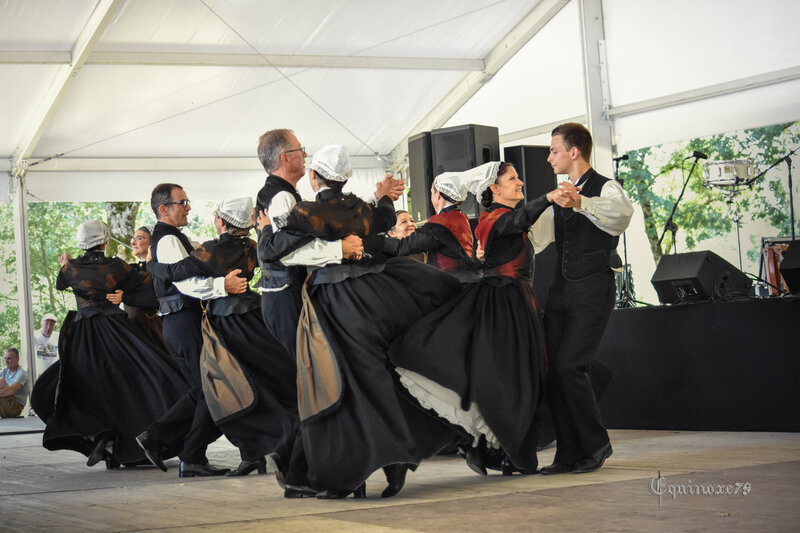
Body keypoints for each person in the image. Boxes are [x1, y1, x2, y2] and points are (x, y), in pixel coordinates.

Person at [261, 145, 464, 499]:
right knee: (376, 376)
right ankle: (386, 459)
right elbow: (382, 221)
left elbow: (274, 249)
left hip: (335, 301)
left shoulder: (307, 212)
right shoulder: (360, 207)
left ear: (314, 177)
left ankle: (350, 469)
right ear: (346, 178)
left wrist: (264, 229)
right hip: (375, 295)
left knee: (337, 383)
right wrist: (382, 200)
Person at [389, 161, 558, 476]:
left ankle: (493, 449)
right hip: (503, 304)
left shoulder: (470, 219)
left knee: (509, 378)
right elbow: (518, 220)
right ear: (494, 188)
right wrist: (548, 197)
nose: (520, 182)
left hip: (511, 302)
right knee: (506, 378)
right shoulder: (492, 219)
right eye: (513, 178)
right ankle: (500, 449)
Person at [146, 197, 299, 478]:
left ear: (220, 221)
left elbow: (178, 274)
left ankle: (253, 450)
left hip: (225, 326)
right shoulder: (253, 247)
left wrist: (151, 265)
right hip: (254, 317)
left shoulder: (210, 251)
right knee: (258, 383)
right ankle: (255, 453)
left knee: (228, 388)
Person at [36, 220, 189, 467]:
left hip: (84, 334)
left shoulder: (71, 269)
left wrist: (65, 264)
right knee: (129, 387)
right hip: (117, 331)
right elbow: (141, 289)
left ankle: (103, 438)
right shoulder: (117, 266)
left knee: (86, 388)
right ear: (105, 242)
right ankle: (133, 441)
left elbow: (60, 284)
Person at [528, 123, 633, 475]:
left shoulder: (606, 187)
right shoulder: (558, 195)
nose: (549, 157)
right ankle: (567, 453)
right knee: (553, 372)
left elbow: (621, 218)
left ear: (574, 152)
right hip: (559, 293)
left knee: (570, 366)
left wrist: (583, 202)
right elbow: (536, 238)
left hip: (592, 290)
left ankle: (596, 444)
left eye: (554, 150)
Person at [135, 183, 247, 478]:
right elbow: (186, 283)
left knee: (204, 390)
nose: (188, 206)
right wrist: (224, 285)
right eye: (182, 202)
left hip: (183, 321)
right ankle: (189, 455)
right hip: (182, 321)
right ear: (163, 209)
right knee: (210, 390)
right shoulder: (168, 240)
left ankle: (160, 440)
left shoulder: (174, 238)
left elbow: (193, 261)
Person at [255, 129, 349, 358]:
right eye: (300, 150)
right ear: (284, 158)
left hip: (286, 292)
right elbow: (284, 252)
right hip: (285, 296)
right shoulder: (281, 197)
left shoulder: (283, 193)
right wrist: (339, 250)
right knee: (308, 364)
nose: (305, 155)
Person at [382, 173, 481, 282]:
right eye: (404, 222)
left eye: (412, 220)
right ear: (391, 232)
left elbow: (401, 247)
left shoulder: (442, 221)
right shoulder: (459, 216)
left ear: (437, 194)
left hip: (451, 284)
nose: (410, 224)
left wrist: (371, 239)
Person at [1, 348, 31, 418]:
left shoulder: (22, 373)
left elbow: (10, 391)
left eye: (9, 358)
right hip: (4, 404)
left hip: (15, 408)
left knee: (1, 381)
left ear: (17, 359)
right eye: (5, 358)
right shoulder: (5, 371)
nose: (6, 361)